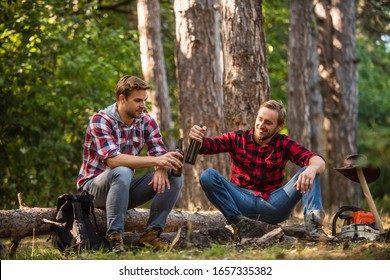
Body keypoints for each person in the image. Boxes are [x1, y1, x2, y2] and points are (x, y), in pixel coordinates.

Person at [188, 100, 327, 241]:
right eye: (260, 119)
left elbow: (318, 161)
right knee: (208, 176)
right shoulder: (237, 138)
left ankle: (313, 228)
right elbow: (208, 145)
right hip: (242, 202)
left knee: (310, 171)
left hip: (274, 205)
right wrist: (197, 139)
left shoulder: (283, 143)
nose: (261, 125)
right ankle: (239, 224)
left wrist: (312, 168)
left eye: (268, 122)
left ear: (279, 126)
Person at [76, 75, 183, 252]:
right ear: (122, 99)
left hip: (122, 188)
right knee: (123, 170)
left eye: (144, 100)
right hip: (93, 190)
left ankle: (151, 235)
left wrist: (162, 167)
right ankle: (115, 238)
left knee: (174, 174)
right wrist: (156, 161)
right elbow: (113, 160)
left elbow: (158, 151)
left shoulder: (146, 121)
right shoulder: (100, 120)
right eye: (138, 100)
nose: (143, 105)